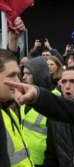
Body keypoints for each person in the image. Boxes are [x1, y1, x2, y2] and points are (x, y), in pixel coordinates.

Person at [0, 17, 34, 166]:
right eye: (11, 76)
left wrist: (13, 40)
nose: (18, 82)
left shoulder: (8, 107)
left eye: (18, 75)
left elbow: (6, 63)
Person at [20, 56, 61, 166]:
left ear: (38, 74)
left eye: (28, 73)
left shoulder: (55, 99)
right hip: (25, 160)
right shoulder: (24, 96)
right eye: (23, 73)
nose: (24, 77)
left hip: (43, 161)